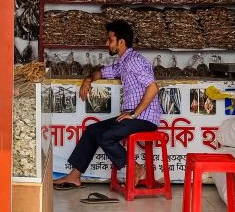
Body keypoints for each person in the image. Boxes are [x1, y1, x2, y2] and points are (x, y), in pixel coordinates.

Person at [53, 20, 162, 190]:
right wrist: (88, 79)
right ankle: (74, 176)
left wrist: (133, 113)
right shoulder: (124, 62)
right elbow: (101, 72)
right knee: (92, 131)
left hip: (144, 119)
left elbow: (153, 88)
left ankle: (136, 168)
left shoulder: (135, 60)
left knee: (105, 137)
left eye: (109, 40)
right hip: (132, 117)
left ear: (121, 42)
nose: (106, 43)